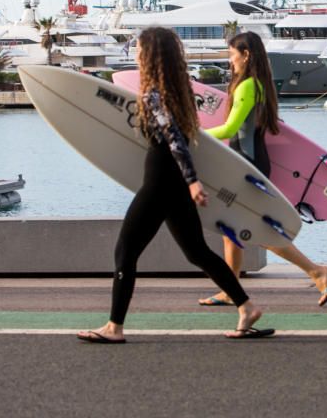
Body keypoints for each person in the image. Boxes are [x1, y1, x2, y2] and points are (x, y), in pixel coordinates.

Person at [77, 26, 272, 343]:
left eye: (140, 49)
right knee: (196, 252)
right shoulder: (177, 90)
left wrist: (193, 182)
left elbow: (175, 139)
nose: (136, 54)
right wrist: (188, 181)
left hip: (160, 182)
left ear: (150, 55)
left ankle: (114, 327)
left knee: (125, 251)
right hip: (173, 181)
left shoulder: (154, 93)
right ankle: (246, 306)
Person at [198, 31, 327, 308]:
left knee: (253, 229)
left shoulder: (246, 87)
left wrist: (195, 132)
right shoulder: (259, 85)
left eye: (232, 55)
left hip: (246, 165)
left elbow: (231, 129)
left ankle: (316, 271)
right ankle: (230, 288)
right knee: (231, 229)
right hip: (247, 161)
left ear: (246, 55)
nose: (230, 61)